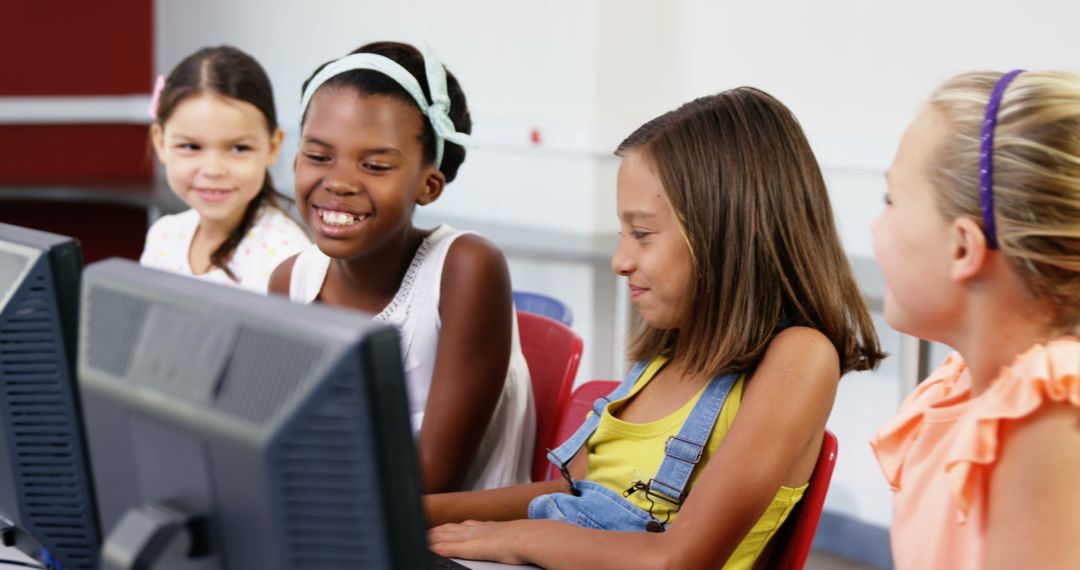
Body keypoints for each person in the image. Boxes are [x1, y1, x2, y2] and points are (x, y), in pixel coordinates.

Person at [426, 87, 883, 569]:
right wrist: (418, 511)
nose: (620, 260)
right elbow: (572, 492)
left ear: (727, 232)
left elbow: (678, 560)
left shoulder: (799, 359)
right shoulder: (667, 354)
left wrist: (515, 539)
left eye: (642, 234)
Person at [268, 41, 534, 493]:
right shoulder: (290, 280)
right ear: (295, 161)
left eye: (374, 165)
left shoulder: (466, 269)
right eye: (317, 156)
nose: (338, 182)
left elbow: (428, 479)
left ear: (429, 185)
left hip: (449, 552)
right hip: (328, 525)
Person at [870, 70, 1080, 569]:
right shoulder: (963, 388)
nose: (876, 223)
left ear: (962, 246)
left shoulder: (1047, 411)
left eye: (891, 200)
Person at [141, 46, 309, 294]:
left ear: (273, 146)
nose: (213, 170)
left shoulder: (286, 259)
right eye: (191, 146)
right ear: (161, 142)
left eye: (238, 148)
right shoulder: (164, 237)